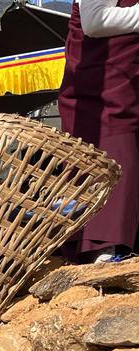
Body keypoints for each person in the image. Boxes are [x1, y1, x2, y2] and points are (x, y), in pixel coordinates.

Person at [58, 0, 139, 262]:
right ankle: (103, 243)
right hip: (102, 87)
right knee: (116, 146)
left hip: (126, 76)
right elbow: (94, 22)